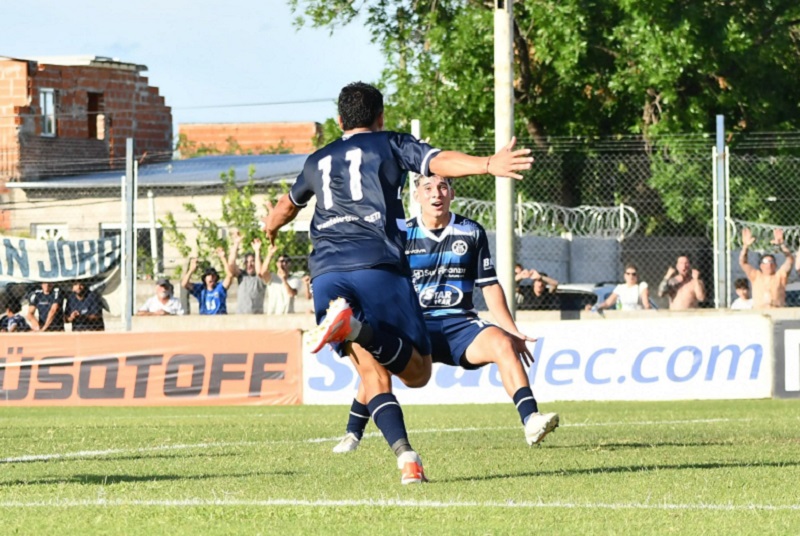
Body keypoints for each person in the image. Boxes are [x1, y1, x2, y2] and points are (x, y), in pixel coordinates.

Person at [263, 81, 533, 484]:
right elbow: (440, 161)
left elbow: (287, 206)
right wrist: (488, 164)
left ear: (339, 121)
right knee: (418, 374)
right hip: (377, 265)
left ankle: (407, 459)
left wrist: (269, 227)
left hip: (327, 274)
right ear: (381, 116)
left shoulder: (316, 160)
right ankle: (356, 329)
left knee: (372, 375)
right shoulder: (390, 143)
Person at [332, 174, 559, 454]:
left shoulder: (471, 231)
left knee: (503, 343)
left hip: (460, 325)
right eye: (427, 188)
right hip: (415, 326)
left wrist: (512, 331)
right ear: (416, 196)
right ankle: (352, 433)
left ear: (452, 193)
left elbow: (489, 285)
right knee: (379, 365)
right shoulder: (401, 235)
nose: (436, 194)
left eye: (442, 187)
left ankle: (531, 420)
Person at [739, 227, 793, 309]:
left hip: (777, 311)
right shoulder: (756, 276)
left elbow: (790, 260)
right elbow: (743, 263)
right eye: (766, 262)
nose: (769, 264)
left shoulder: (780, 276)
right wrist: (745, 246)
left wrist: (782, 245)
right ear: (761, 266)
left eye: (771, 262)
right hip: (759, 311)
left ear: (775, 265)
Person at [181, 248, 233, 315]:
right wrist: (191, 270)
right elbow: (184, 284)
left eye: (213, 275)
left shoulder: (220, 287)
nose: (211, 277)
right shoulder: (201, 290)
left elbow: (230, 275)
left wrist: (223, 258)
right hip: (205, 318)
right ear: (205, 278)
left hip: (219, 317)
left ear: (216, 278)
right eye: (208, 275)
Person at [228, 231, 268, 314]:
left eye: (252, 261)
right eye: (247, 262)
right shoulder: (242, 276)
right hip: (241, 317)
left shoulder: (260, 278)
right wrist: (236, 244)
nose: (249, 264)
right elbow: (231, 265)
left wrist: (257, 251)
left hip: (257, 317)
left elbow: (259, 271)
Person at [264, 248, 301, 315]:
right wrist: (269, 254)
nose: (284, 264)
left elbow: (292, 294)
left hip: (288, 315)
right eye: (281, 261)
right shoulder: (272, 277)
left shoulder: (294, 279)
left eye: (286, 261)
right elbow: (262, 273)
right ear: (277, 264)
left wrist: (284, 279)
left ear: (290, 264)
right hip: (273, 315)